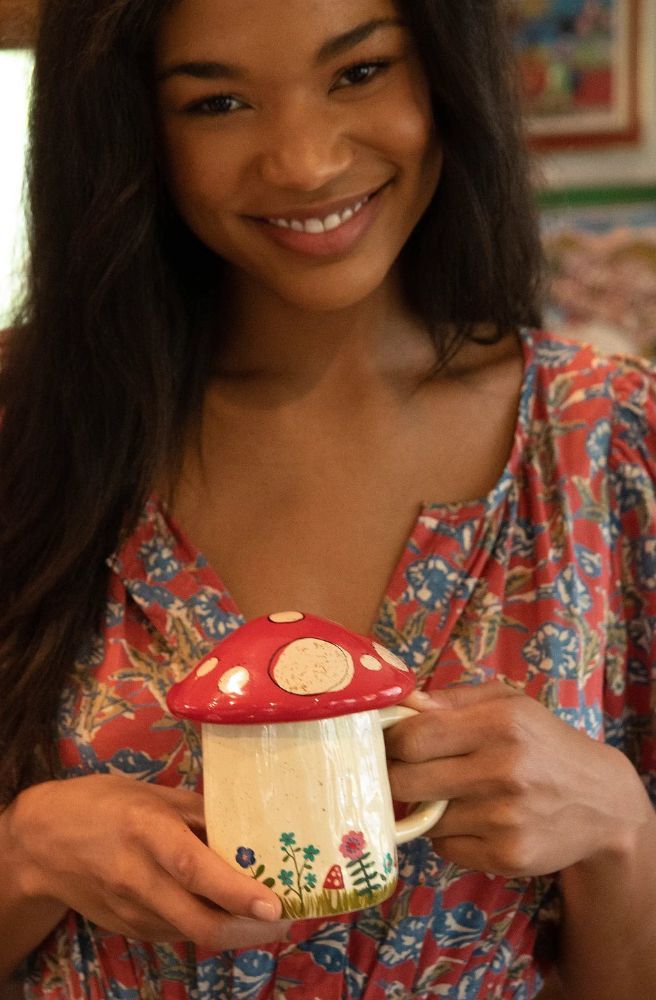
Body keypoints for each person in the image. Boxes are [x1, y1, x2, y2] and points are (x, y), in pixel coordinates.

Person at [0, 0, 655, 996]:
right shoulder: (21, 432)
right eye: (216, 101)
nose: (302, 161)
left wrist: (618, 830)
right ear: (130, 129)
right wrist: (26, 860)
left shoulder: (609, 442)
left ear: (443, 74)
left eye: (357, 73)